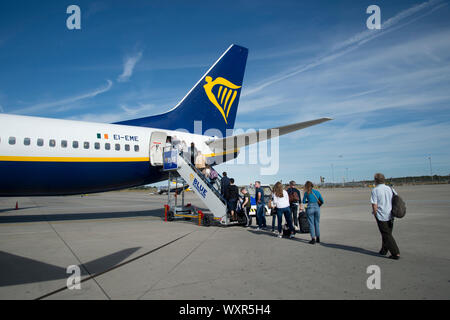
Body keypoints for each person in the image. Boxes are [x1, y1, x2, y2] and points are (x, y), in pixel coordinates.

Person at [371, 173, 400, 260]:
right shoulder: (390, 188)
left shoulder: (375, 190)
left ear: (376, 180)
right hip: (391, 214)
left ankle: (395, 253)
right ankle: (384, 250)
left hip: (381, 215)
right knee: (387, 233)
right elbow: (396, 199)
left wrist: (375, 213)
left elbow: (374, 204)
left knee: (386, 234)